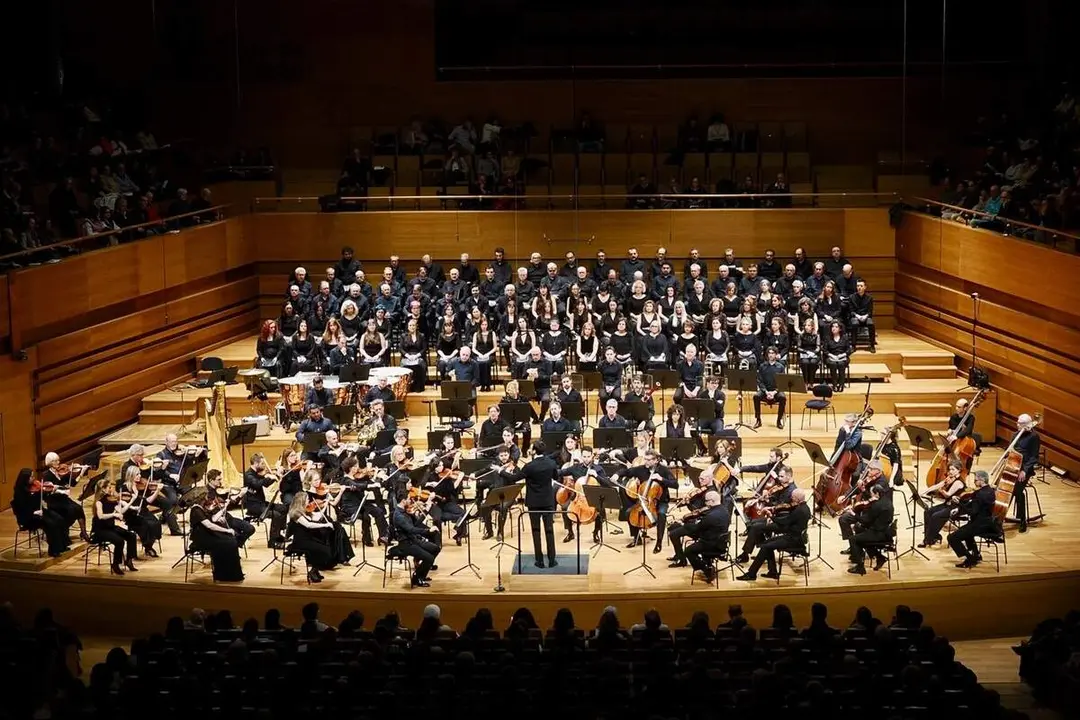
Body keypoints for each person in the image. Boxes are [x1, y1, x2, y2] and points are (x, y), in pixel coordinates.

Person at [737, 489, 811, 581]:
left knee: (766, 546)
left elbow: (786, 521)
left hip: (793, 540)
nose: (791, 498)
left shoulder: (800, 510)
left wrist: (771, 517)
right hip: (793, 537)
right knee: (766, 544)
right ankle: (772, 572)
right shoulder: (804, 508)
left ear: (797, 498)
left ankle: (752, 574)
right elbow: (788, 520)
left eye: (793, 497)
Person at [612, 449, 677, 552]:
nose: (646, 462)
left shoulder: (664, 470)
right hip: (644, 500)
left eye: (649, 460)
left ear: (656, 460)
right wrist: (617, 474)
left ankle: (659, 542)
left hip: (661, 501)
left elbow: (675, 484)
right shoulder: (641, 469)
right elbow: (627, 471)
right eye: (645, 459)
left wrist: (661, 479)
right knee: (629, 512)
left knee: (661, 514)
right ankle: (636, 538)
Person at [508, 441, 559, 568]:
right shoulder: (551, 463)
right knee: (549, 531)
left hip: (534, 503)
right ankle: (552, 560)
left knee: (536, 531)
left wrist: (500, 471)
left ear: (534, 451)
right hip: (547, 501)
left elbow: (514, 478)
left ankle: (539, 560)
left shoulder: (529, 466)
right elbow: (556, 477)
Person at [11, 469, 72, 557]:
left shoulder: (34, 486)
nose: (34, 478)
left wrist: (44, 492)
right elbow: (22, 509)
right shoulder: (19, 492)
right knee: (51, 524)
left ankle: (62, 546)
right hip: (28, 517)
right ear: (25, 478)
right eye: (31, 476)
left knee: (59, 519)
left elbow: (39, 499)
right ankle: (53, 550)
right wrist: (34, 512)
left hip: (39, 511)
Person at [189, 490, 245, 582]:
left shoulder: (202, 508)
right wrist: (227, 530)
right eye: (207, 497)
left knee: (231, 540)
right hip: (202, 538)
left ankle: (230, 573)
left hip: (207, 534)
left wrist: (224, 509)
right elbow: (209, 525)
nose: (210, 500)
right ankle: (223, 574)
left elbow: (213, 519)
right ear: (203, 498)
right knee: (228, 542)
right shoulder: (196, 510)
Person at [947, 470, 997, 568]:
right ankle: (976, 554)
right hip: (988, 523)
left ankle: (970, 558)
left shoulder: (979, 494)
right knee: (966, 533)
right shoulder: (991, 491)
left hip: (978, 525)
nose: (974, 482)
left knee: (952, 537)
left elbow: (972, 512)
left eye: (975, 480)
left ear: (982, 480)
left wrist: (959, 504)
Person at [286, 489, 336, 584]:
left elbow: (318, 516)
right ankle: (313, 571)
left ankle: (314, 570)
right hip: (301, 542)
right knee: (324, 551)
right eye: (307, 499)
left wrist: (326, 504)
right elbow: (309, 525)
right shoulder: (296, 514)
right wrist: (325, 525)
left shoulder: (305, 511)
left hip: (308, 539)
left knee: (326, 548)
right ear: (302, 501)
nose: (309, 501)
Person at [391, 493, 441, 587]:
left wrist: (416, 514)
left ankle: (421, 573)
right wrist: (428, 530)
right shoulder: (399, 515)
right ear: (403, 501)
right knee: (429, 558)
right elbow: (411, 529)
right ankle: (417, 577)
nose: (411, 501)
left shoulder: (405, 512)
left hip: (413, 540)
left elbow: (416, 524)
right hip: (406, 543)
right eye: (409, 499)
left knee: (435, 548)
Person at [846, 480, 894, 575]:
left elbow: (865, 520)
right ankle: (880, 557)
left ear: (877, 494)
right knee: (860, 534)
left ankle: (860, 567)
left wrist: (853, 514)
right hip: (886, 532)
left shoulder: (877, 505)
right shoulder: (888, 502)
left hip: (878, 534)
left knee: (853, 539)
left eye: (872, 494)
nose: (871, 497)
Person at [683, 491, 730, 584]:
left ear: (712, 501)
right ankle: (707, 564)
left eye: (706, 501)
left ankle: (706, 570)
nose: (705, 503)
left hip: (711, 543)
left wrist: (685, 525)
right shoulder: (725, 510)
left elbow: (697, 528)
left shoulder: (711, 516)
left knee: (688, 551)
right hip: (722, 542)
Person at [91, 483, 139, 575]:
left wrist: (131, 500)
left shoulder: (112, 501)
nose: (112, 489)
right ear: (103, 489)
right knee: (120, 541)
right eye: (109, 487)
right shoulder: (99, 502)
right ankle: (115, 564)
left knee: (131, 535)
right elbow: (100, 516)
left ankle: (129, 560)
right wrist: (113, 514)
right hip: (100, 530)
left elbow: (122, 511)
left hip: (111, 527)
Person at [242, 453, 287, 548]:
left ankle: (278, 535)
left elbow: (265, 484)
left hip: (261, 503)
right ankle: (273, 542)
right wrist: (269, 477)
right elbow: (258, 484)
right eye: (262, 464)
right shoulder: (248, 475)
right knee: (276, 515)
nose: (264, 466)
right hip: (253, 506)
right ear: (255, 463)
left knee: (283, 508)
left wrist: (276, 477)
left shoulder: (257, 473)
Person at [919, 460, 967, 547]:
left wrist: (941, 490)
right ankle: (933, 536)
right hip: (947, 504)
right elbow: (936, 486)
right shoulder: (950, 478)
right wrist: (922, 492)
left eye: (953, 469)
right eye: (949, 469)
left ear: (959, 470)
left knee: (935, 516)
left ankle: (928, 540)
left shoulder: (958, 482)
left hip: (954, 507)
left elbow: (948, 494)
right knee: (928, 512)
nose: (950, 472)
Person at [1011, 413, 1040, 533]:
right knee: (1003, 489)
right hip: (1012, 466)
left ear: (1027, 425)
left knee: (1017, 491)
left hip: (1025, 469)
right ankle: (998, 517)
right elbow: (1010, 450)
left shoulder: (1034, 436)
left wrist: (1024, 470)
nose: (1017, 425)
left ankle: (1022, 520)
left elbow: (1034, 457)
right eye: (1017, 422)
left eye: (1020, 423)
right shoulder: (1015, 435)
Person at [752, 346, 787, 429]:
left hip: (776, 391)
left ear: (776, 355)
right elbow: (760, 381)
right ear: (767, 355)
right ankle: (758, 420)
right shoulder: (762, 366)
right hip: (765, 391)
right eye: (769, 353)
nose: (771, 355)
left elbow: (782, 382)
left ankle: (779, 421)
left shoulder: (781, 367)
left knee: (782, 397)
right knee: (756, 396)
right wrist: (766, 391)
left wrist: (774, 392)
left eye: (773, 353)